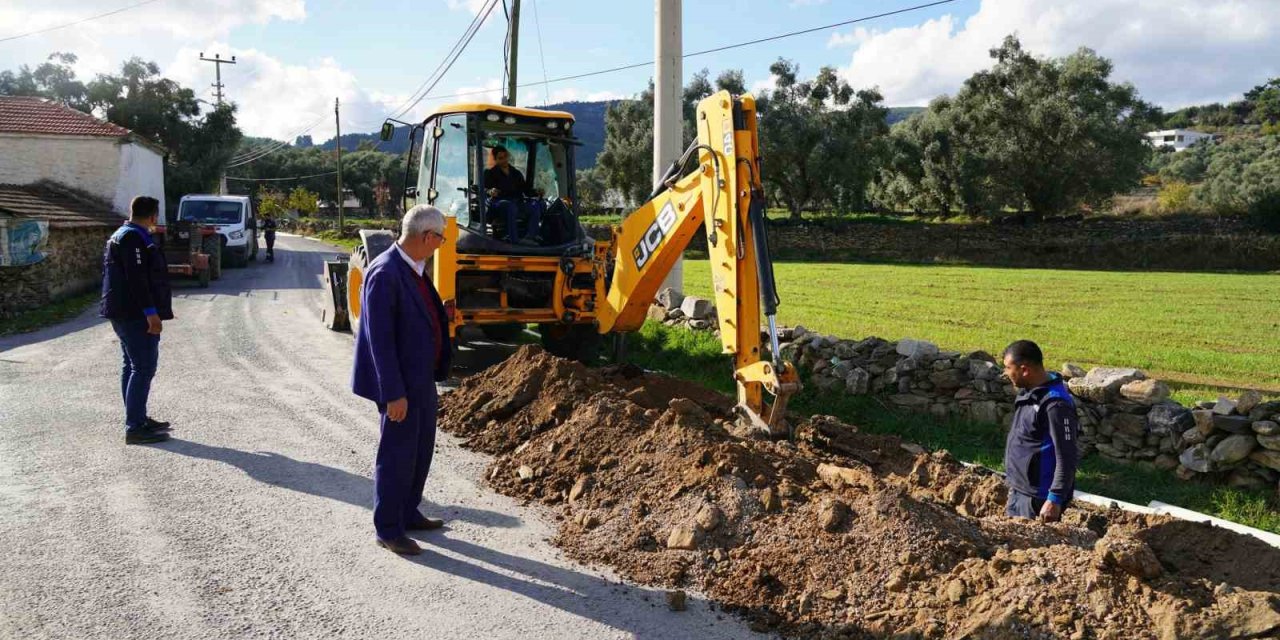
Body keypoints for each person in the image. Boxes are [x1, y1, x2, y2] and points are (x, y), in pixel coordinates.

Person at [351, 205, 453, 555]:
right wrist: (393, 393)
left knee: (420, 451)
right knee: (397, 456)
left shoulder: (414, 268)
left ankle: (408, 512)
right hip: (401, 386)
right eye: (441, 238)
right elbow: (379, 342)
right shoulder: (385, 273)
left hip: (421, 379)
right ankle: (388, 528)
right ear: (426, 236)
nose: (442, 244)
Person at [99, 196, 174, 445]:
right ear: (153, 216)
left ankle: (138, 418)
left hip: (123, 310)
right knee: (142, 367)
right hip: (134, 313)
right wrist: (151, 313)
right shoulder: (133, 238)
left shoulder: (123, 234)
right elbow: (137, 279)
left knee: (131, 366)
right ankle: (135, 427)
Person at [1001, 340, 1079, 522]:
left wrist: (1054, 498)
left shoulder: (1056, 405)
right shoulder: (1029, 392)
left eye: (1008, 368)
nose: (1005, 373)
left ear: (1024, 370)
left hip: (1038, 500)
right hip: (1020, 490)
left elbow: (1067, 456)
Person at [483, 145, 544, 243]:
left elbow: (526, 190)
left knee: (535, 205)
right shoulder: (490, 173)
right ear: (495, 160)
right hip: (499, 203)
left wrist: (536, 192)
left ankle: (530, 237)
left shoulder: (516, 173)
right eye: (500, 158)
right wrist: (491, 191)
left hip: (517, 202)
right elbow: (485, 190)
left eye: (505, 157)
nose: (504, 160)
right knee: (510, 206)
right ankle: (513, 240)